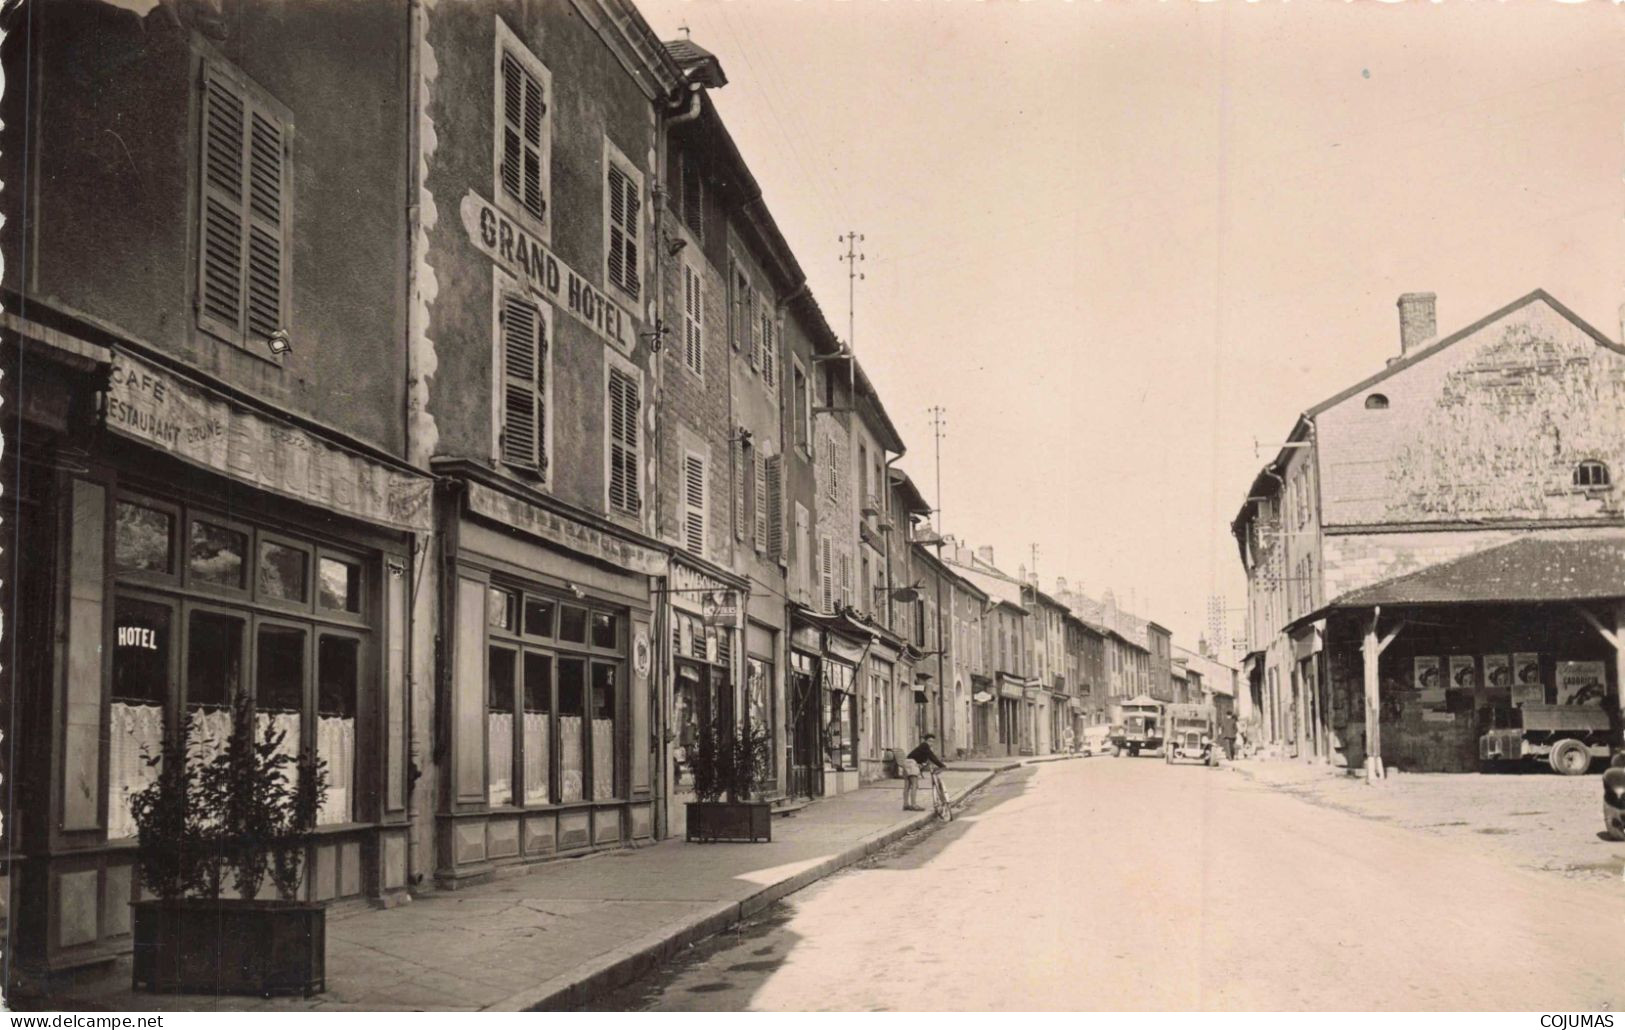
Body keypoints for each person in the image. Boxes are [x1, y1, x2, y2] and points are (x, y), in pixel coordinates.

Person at [903, 733, 948, 811]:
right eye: (929, 741)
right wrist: (942, 765)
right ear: (926, 741)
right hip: (911, 763)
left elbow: (926, 759)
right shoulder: (925, 746)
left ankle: (906, 804)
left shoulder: (923, 748)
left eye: (932, 741)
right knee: (914, 784)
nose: (931, 743)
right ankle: (914, 805)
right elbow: (932, 756)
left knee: (907, 785)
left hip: (906, 762)